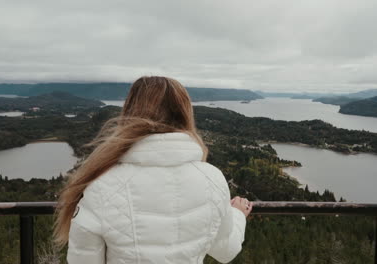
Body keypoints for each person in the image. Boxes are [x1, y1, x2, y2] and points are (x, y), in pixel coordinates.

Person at [54, 76, 253, 264]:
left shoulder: (101, 185)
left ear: (129, 113)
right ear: (185, 115)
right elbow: (226, 251)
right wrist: (237, 214)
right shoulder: (212, 178)